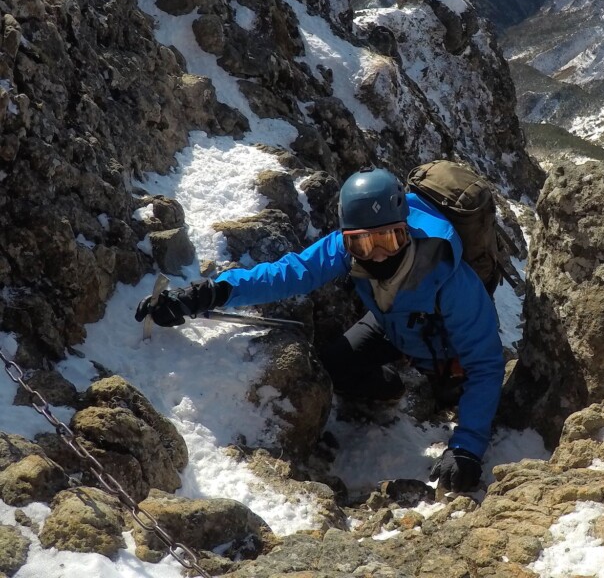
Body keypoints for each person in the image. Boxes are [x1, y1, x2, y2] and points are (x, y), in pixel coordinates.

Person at [135, 166, 504, 493]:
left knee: (458, 391)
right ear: (347, 237)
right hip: (392, 326)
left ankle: (436, 387)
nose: (376, 254)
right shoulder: (344, 246)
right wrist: (208, 293)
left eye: (388, 240)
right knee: (335, 367)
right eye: (363, 243)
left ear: (405, 229)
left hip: (445, 344)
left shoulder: (450, 279)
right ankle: (394, 388)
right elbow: (290, 273)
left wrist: (466, 447)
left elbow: (485, 363)